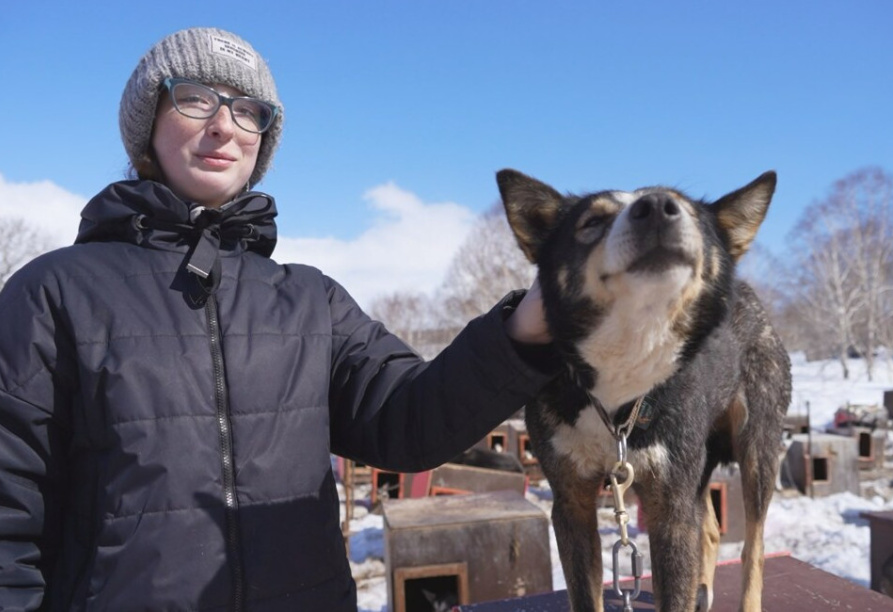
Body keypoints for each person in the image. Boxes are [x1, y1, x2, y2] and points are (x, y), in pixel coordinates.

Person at [0, 27, 557, 611]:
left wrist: (527, 327)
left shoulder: (310, 300)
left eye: (249, 111)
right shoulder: (54, 292)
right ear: (148, 122)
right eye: (195, 98)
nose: (224, 125)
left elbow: (412, 421)